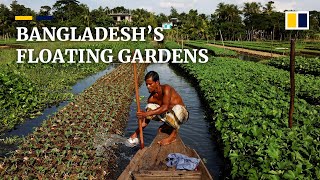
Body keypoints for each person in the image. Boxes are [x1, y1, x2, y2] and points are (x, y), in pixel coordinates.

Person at [127, 71, 189, 146]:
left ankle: (173, 136)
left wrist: (145, 114)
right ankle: (168, 125)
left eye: (150, 84)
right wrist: (136, 133)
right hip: (168, 115)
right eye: (146, 84)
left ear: (157, 82)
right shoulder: (151, 98)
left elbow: (165, 107)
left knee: (177, 108)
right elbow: (146, 120)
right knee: (149, 107)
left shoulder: (166, 88)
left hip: (182, 113)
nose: (148, 86)